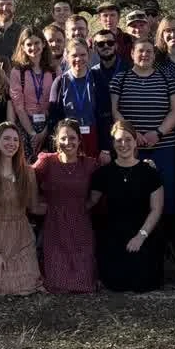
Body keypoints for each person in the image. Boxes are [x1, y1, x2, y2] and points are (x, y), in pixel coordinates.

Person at [90, 120, 164, 292]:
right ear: (113, 143)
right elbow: (90, 203)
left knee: (143, 281)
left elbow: (156, 210)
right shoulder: (103, 173)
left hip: (143, 234)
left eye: (128, 139)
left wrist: (141, 237)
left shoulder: (150, 172)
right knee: (115, 283)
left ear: (135, 141)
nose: (123, 144)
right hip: (113, 238)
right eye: (118, 140)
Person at [111, 39, 175, 212]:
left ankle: (166, 235)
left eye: (149, 51)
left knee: (166, 192)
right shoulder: (120, 80)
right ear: (132, 54)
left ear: (154, 55)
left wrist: (158, 133)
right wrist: (133, 135)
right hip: (130, 148)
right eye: (140, 51)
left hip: (164, 147)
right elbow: (115, 112)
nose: (145, 55)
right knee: (133, 194)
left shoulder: (168, 79)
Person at [33, 120, 103, 293]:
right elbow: (26, 175)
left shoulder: (90, 164)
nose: (67, 142)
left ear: (79, 140)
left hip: (81, 224)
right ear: (56, 140)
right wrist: (35, 203)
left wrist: (89, 204)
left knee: (84, 283)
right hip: (54, 225)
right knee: (57, 283)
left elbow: (105, 183)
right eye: (63, 138)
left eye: (72, 138)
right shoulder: (47, 162)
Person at [0, 123, 43, 295]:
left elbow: (34, 207)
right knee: (2, 285)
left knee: (25, 284)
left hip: (22, 237)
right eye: (6, 138)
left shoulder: (28, 172)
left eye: (15, 139)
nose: (11, 143)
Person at [48, 39, 107, 158]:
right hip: (67, 141)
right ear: (67, 56)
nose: (78, 59)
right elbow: (53, 119)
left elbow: (105, 117)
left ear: (89, 55)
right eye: (74, 55)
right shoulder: (60, 82)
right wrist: (55, 147)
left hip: (92, 137)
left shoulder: (98, 79)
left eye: (83, 55)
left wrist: (105, 149)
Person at [10, 26, 57, 158]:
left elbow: (57, 104)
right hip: (26, 125)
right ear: (23, 47)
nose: (33, 47)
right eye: (29, 44)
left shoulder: (54, 71)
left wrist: (45, 131)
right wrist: (32, 133)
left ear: (43, 44)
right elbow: (18, 106)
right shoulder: (17, 72)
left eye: (37, 43)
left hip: (50, 125)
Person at [89, 28, 128, 150]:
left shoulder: (129, 69)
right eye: (101, 44)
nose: (106, 46)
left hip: (126, 127)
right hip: (101, 131)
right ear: (95, 48)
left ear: (116, 45)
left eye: (110, 43)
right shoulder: (92, 73)